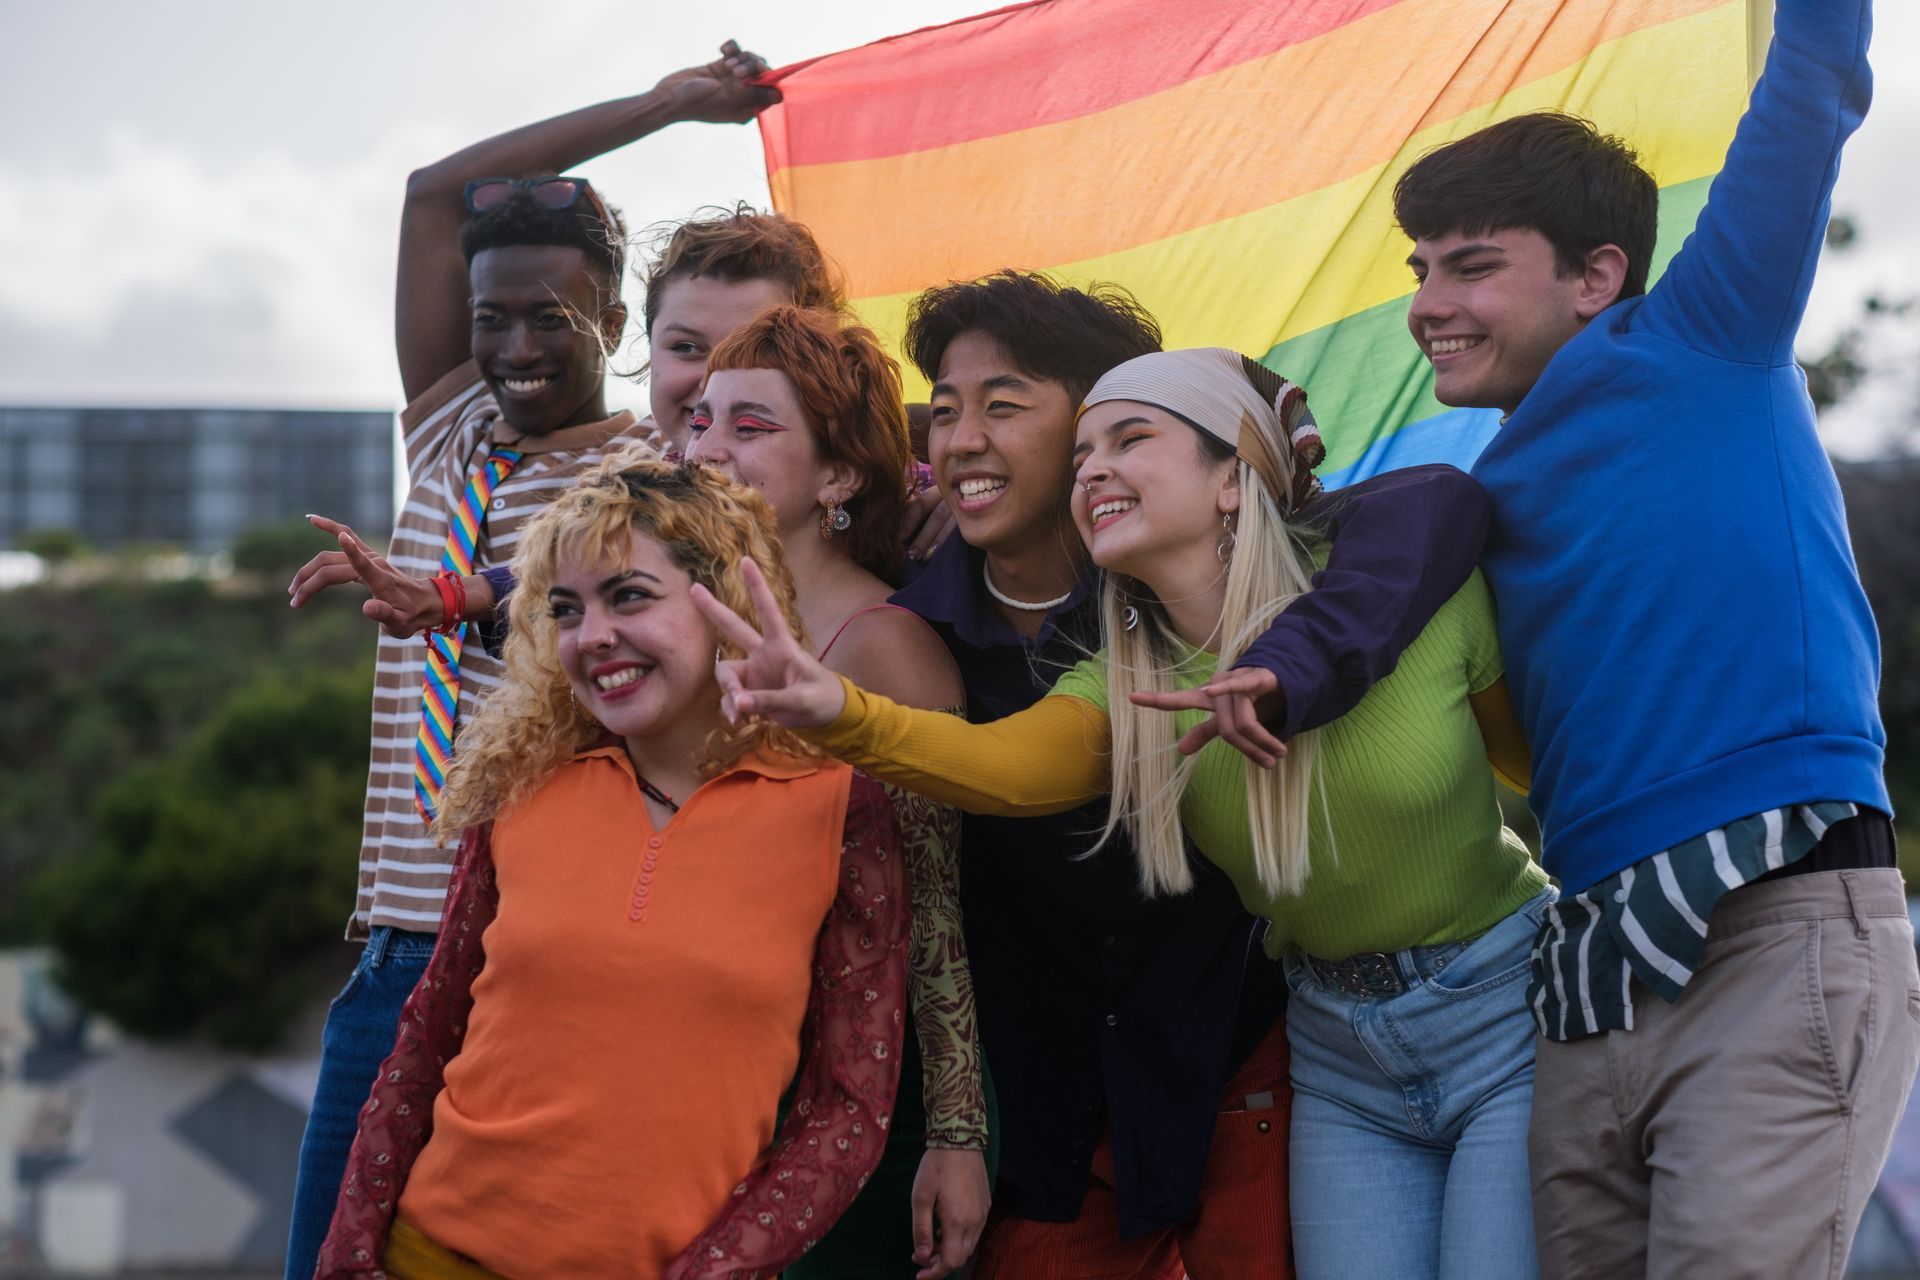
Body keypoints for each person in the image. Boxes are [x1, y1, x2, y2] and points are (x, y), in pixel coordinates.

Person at [700, 346, 1552, 1279]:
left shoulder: (1414, 604)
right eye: (1082, 457)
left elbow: (1548, 765)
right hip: (1340, 1053)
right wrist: (840, 711)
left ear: (1233, 476)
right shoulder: (1128, 681)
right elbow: (1003, 769)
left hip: (1503, 1009)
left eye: (1130, 439)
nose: (1092, 468)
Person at [1389, 2, 1916, 1274]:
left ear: (1598, 274)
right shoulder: (1473, 500)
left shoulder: (1706, 333)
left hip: (1773, 921)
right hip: (1589, 964)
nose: (1428, 302)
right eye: (1418, 269)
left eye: (1468, 264)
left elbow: (1813, 83)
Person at [278, 48, 788, 1279]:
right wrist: (665, 106)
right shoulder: (453, 426)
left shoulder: (655, 485)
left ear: (614, 327)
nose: (513, 344)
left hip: (532, 948)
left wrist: (456, 598)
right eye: (490, 316)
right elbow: (431, 196)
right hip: (399, 939)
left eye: (551, 318)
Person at [313, 456, 908, 1279]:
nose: (591, 636)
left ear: (725, 601)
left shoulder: (844, 807)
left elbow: (848, 1108)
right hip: (431, 1255)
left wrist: (715, 1270)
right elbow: (426, 1037)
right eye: (565, 610)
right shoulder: (518, 783)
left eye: (629, 596)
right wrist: (348, 1252)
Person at [685, 305, 990, 1278]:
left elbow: (938, 921)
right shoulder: (686, 626)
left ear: (842, 474)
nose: (710, 449)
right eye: (701, 418)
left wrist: (959, 1136)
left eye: (751, 426)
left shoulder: (886, 645)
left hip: (859, 1109)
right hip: (718, 1090)